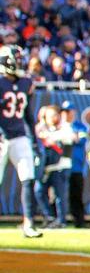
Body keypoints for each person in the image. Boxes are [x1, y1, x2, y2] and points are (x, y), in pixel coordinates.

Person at [0, 46, 42, 237]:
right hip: (1, 137)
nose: (20, 63)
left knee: (28, 178)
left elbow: (28, 116)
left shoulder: (26, 83)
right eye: (16, 59)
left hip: (19, 136)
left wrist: (34, 141)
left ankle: (29, 223)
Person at [34, 104, 70, 228]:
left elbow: (65, 139)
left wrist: (48, 137)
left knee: (60, 195)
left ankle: (61, 220)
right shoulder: (43, 129)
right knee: (39, 191)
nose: (51, 118)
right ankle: (49, 217)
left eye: (53, 115)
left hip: (60, 167)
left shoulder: (65, 127)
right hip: (46, 168)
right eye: (48, 116)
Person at [61, 102, 89, 228]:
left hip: (76, 166)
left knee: (76, 194)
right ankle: (57, 219)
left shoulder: (79, 126)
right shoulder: (59, 126)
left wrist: (71, 136)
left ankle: (79, 221)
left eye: (68, 111)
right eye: (64, 111)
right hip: (60, 166)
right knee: (57, 194)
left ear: (73, 112)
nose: (66, 114)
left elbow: (81, 140)